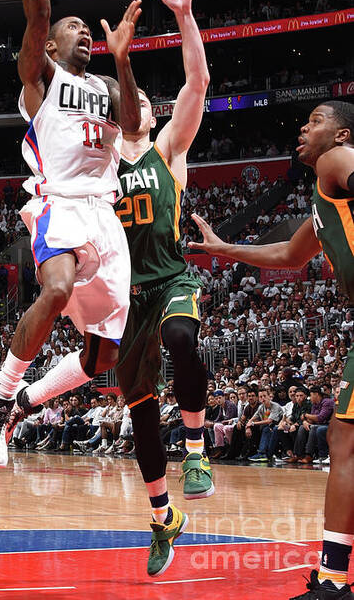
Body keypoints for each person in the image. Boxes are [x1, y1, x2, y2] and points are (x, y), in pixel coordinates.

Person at [0, 0, 141, 467]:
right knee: (57, 287)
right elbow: (37, 12)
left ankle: (23, 408)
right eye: (73, 27)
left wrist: (122, 58)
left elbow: (130, 129)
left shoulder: (105, 81)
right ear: (48, 47)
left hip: (106, 213)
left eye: (84, 29)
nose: (82, 33)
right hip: (60, 204)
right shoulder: (40, 82)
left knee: (105, 359)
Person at [189, 100, 354, 599]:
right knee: (344, 443)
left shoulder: (337, 162)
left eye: (317, 120)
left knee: (344, 444)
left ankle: (331, 581)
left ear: (342, 134)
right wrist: (224, 249)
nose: (304, 128)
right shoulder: (324, 198)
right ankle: (331, 577)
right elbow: (287, 253)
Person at [108, 0, 209, 577]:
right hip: (124, 298)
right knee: (140, 410)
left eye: (143, 98)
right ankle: (162, 516)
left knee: (182, 336)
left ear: (149, 112)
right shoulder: (97, 169)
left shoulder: (168, 145)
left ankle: (197, 447)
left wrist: (186, 17)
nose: (136, 103)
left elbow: (196, 84)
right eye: (129, 97)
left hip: (171, 277)